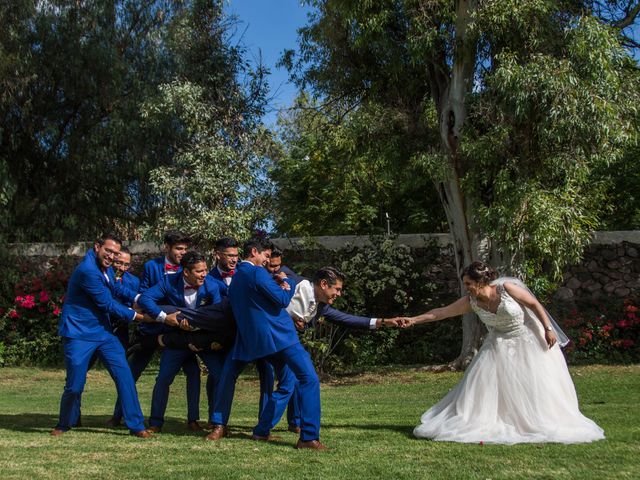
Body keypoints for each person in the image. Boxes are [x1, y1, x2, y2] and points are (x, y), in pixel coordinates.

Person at [409, 261, 605, 444]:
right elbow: (441, 312)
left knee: (533, 384)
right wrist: (413, 320)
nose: (466, 287)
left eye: (469, 283)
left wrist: (548, 328)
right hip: (498, 343)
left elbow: (534, 304)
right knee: (485, 385)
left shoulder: (507, 290)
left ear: (481, 281)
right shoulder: (471, 301)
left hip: (527, 340)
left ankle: (535, 420)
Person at [206, 237, 326, 449]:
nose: (267, 261)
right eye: (266, 256)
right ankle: (308, 437)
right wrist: (286, 284)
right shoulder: (256, 272)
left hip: (248, 338)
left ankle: (225, 425)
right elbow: (282, 300)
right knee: (308, 378)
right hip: (279, 336)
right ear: (255, 252)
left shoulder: (236, 278)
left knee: (229, 377)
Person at [279, 266, 410, 432]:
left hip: (287, 341)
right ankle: (270, 430)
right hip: (267, 338)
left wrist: (385, 322)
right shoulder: (298, 282)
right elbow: (279, 270)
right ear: (324, 284)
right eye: (338, 289)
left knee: (298, 379)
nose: (339, 294)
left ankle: (293, 423)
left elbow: (348, 319)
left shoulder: (322, 307)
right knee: (291, 381)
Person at [51, 232, 151, 438]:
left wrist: (143, 299)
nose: (111, 256)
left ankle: (137, 425)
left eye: (115, 253)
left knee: (124, 375)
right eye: (108, 251)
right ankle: (65, 422)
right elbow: (107, 303)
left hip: (104, 333)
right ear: (97, 247)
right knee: (75, 385)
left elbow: (118, 289)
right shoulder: (88, 270)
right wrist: (139, 316)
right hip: (79, 333)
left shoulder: (104, 269)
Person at [109, 230, 202, 430]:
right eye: (178, 248)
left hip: (178, 331)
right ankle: (118, 415)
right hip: (152, 326)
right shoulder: (152, 267)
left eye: (185, 249)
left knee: (193, 372)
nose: (182, 252)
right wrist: (159, 313)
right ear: (166, 247)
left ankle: (193, 419)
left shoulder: (190, 270)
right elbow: (142, 295)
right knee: (132, 373)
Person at [137, 251, 227, 433]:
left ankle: (215, 423)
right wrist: (164, 318)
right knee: (163, 379)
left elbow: (218, 316)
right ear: (185, 272)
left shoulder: (211, 286)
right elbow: (145, 298)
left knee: (220, 375)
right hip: (177, 339)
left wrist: (199, 332)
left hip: (202, 337)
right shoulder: (169, 281)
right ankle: (155, 423)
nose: (204, 274)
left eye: (205, 270)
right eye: (199, 271)